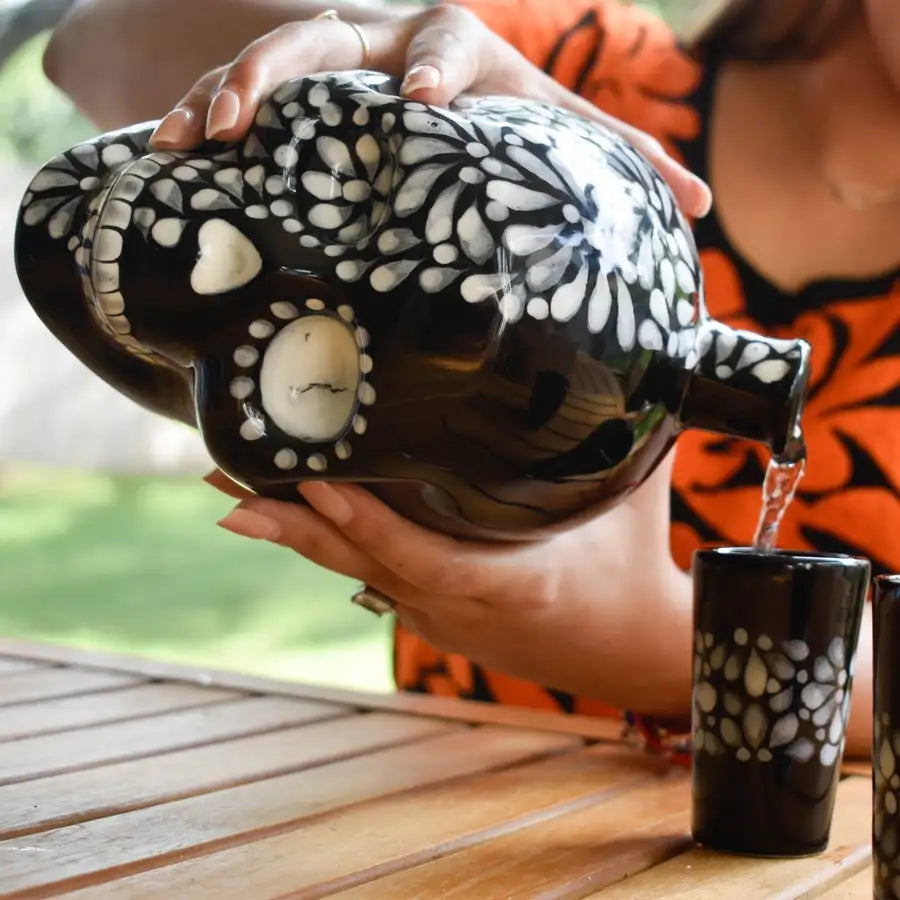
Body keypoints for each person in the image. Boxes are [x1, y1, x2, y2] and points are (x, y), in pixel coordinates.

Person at [42, 0, 900, 761]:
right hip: (417, 806)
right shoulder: (575, 68)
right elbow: (90, 37)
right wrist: (347, 54)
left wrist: (651, 645)